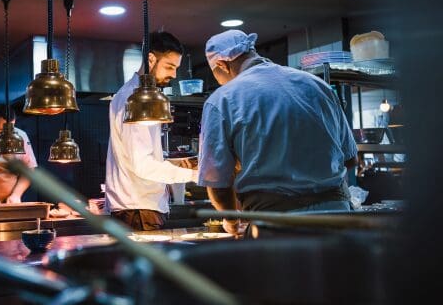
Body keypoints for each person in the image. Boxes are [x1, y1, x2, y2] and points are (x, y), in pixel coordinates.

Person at [197, 30, 358, 235]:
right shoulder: (317, 85)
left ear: (222, 65)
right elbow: (350, 159)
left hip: (275, 224)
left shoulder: (222, 100)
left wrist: (230, 219)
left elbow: (218, 184)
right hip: (336, 218)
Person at [105, 31, 198, 230]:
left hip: (137, 209)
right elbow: (143, 166)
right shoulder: (136, 100)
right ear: (151, 58)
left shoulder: (137, 95)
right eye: (169, 66)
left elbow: (139, 158)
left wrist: (173, 164)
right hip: (138, 211)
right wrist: (194, 175)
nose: (173, 75)